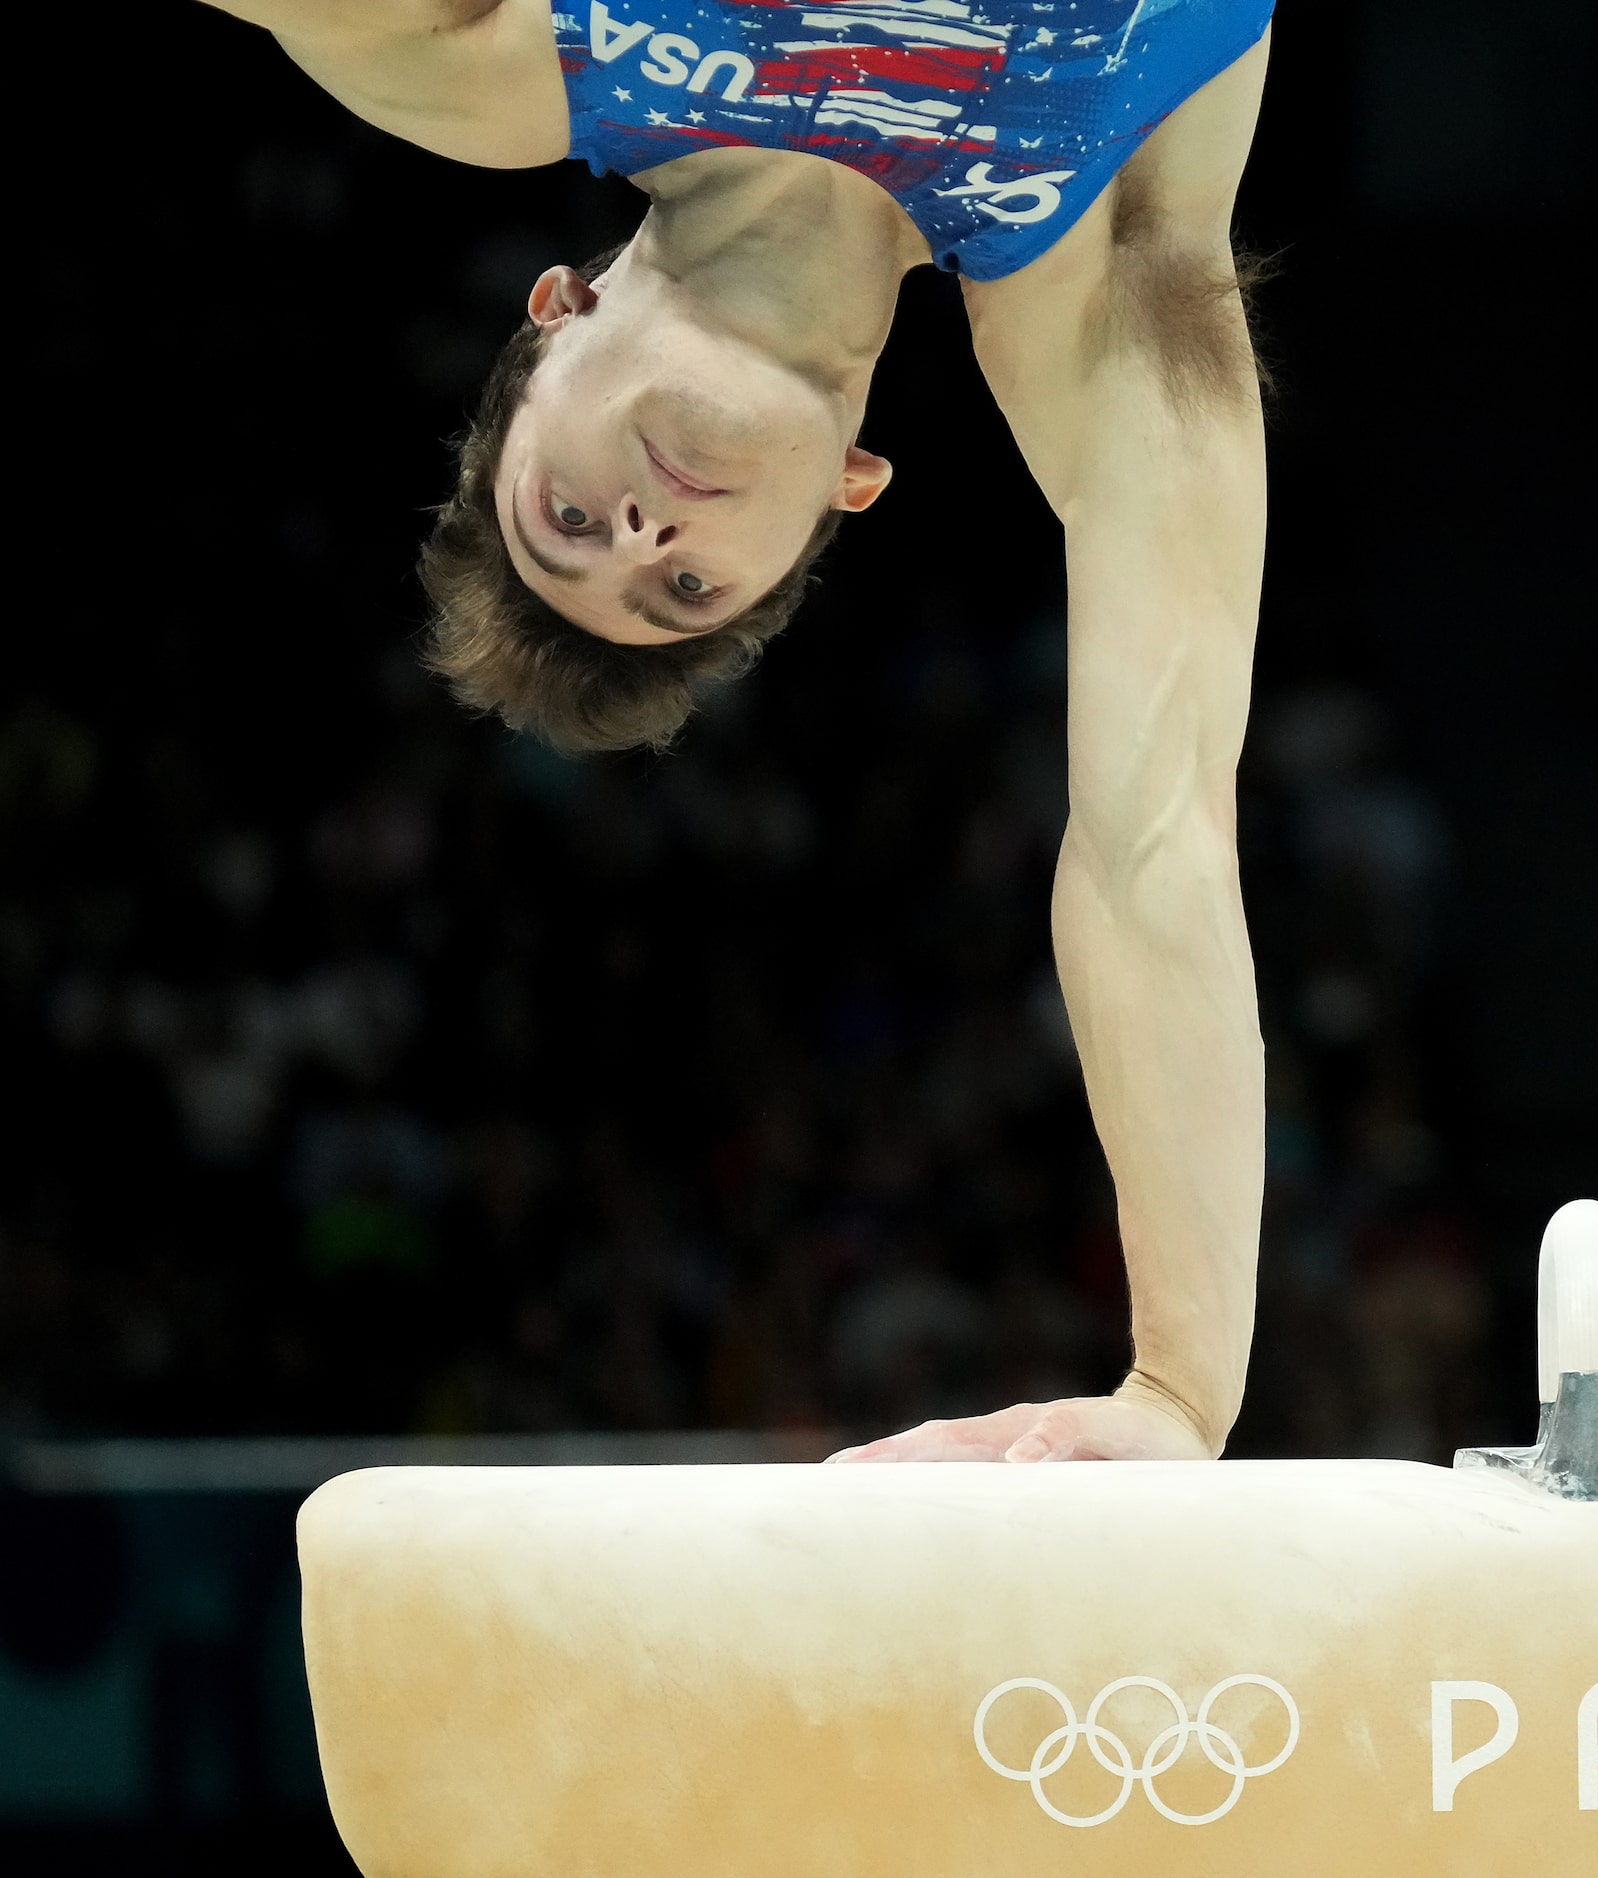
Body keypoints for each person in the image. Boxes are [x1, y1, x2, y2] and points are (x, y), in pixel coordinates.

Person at [207, 0, 1275, 1464]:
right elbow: (1155, 837)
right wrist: (1180, 1388)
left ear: (554, 317)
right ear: (849, 486)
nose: (640, 529)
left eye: (566, 519)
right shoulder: (1088, 277)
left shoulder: (504, 61)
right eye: (683, 586)